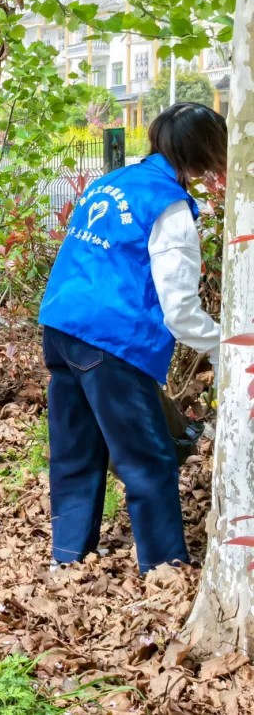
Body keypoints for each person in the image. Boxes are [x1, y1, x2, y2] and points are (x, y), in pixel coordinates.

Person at [38, 102, 224, 574]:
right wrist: (224, 348)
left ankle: (68, 556)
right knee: (147, 458)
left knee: (76, 448)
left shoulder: (112, 182)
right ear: (205, 154)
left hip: (62, 324)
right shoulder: (168, 205)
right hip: (112, 339)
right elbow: (180, 308)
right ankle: (164, 566)